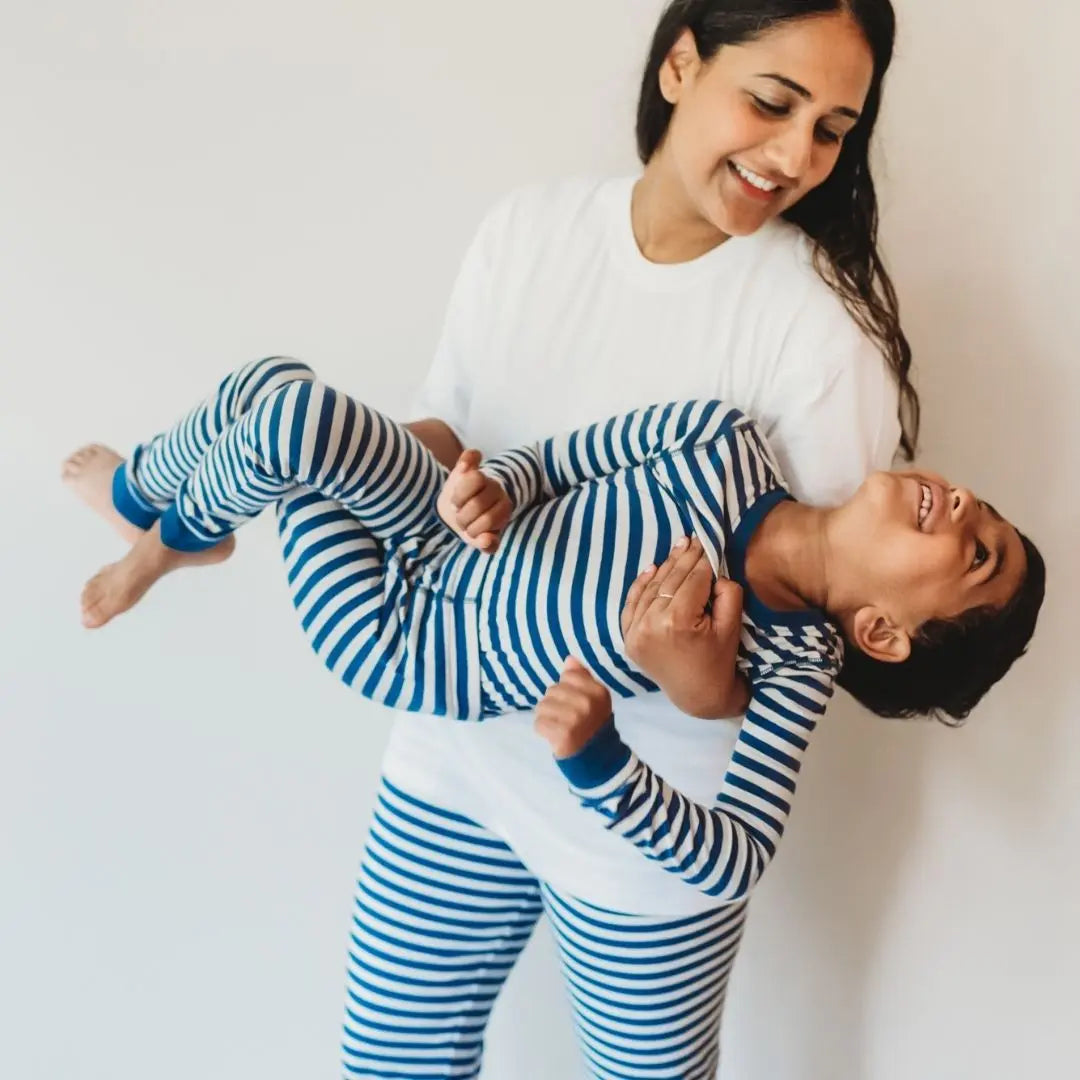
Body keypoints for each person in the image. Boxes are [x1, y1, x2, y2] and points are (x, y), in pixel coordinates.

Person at [58, 1, 987, 1076]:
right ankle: (173, 521)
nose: (794, 156)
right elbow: (457, 429)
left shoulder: (819, 340)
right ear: (681, 63)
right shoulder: (533, 229)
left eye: (831, 129)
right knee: (394, 1060)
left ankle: (168, 524)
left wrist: (688, 680)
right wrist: (339, 456)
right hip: (456, 743)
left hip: (637, 820)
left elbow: (797, 637)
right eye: (773, 102)